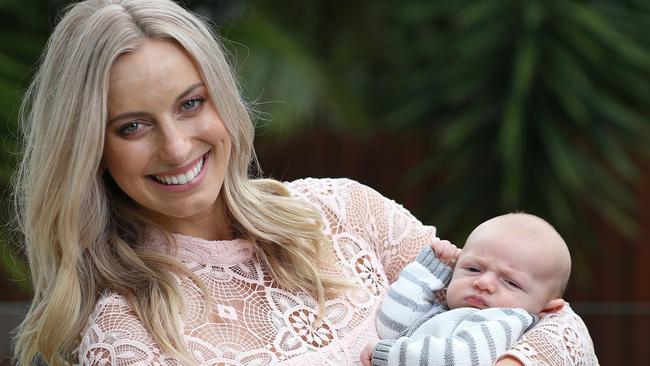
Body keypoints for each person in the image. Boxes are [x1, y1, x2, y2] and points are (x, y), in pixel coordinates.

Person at [11, 0, 598, 365]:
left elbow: (552, 322)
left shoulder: (344, 209)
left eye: (191, 104)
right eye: (132, 125)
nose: (176, 145)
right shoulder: (123, 330)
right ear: (91, 149)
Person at [360, 213, 573, 366]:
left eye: (511, 283)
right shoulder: (445, 312)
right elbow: (391, 328)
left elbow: (461, 359)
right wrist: (428, 270)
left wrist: (389, 355)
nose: (484, 283)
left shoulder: (505, 321)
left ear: (547, 309)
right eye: (472, 268)